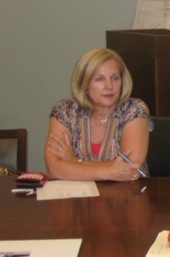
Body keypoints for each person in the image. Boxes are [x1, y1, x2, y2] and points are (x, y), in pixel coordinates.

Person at [45, 48, 151, 181]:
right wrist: (110, 172)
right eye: (100, 79)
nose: (109, 86)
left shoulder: (134, 109)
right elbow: (53, 169)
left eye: (115, 78)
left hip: (126, 197)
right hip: (77, 198)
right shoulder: (65, 111)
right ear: (84, 84)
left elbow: (130, 168)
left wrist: (74, 161)